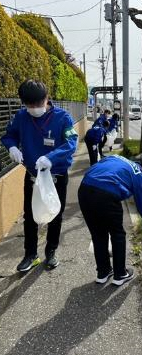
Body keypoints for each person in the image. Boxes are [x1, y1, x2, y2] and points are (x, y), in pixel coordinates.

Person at [1, 79, 78, 272]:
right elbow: (8, 135)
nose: (34, 108)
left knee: (55, 214)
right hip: (32, 175)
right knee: (30, 215)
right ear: (23, 103)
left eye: (38, 104)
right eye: (29, 105)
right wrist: (11, 147)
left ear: (47, 98)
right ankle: (30, 254)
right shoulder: (21, 117)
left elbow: (71, 143)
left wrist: (51, 158)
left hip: (56, 175)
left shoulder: (63, 118)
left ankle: (51, 251)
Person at [78, 154, 142, 286]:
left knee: (98, 233)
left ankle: (103, 273)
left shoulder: (115, 157)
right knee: (117, 234)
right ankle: (120, 274)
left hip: (84, 189)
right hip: (107, 194)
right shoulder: (138, 172)